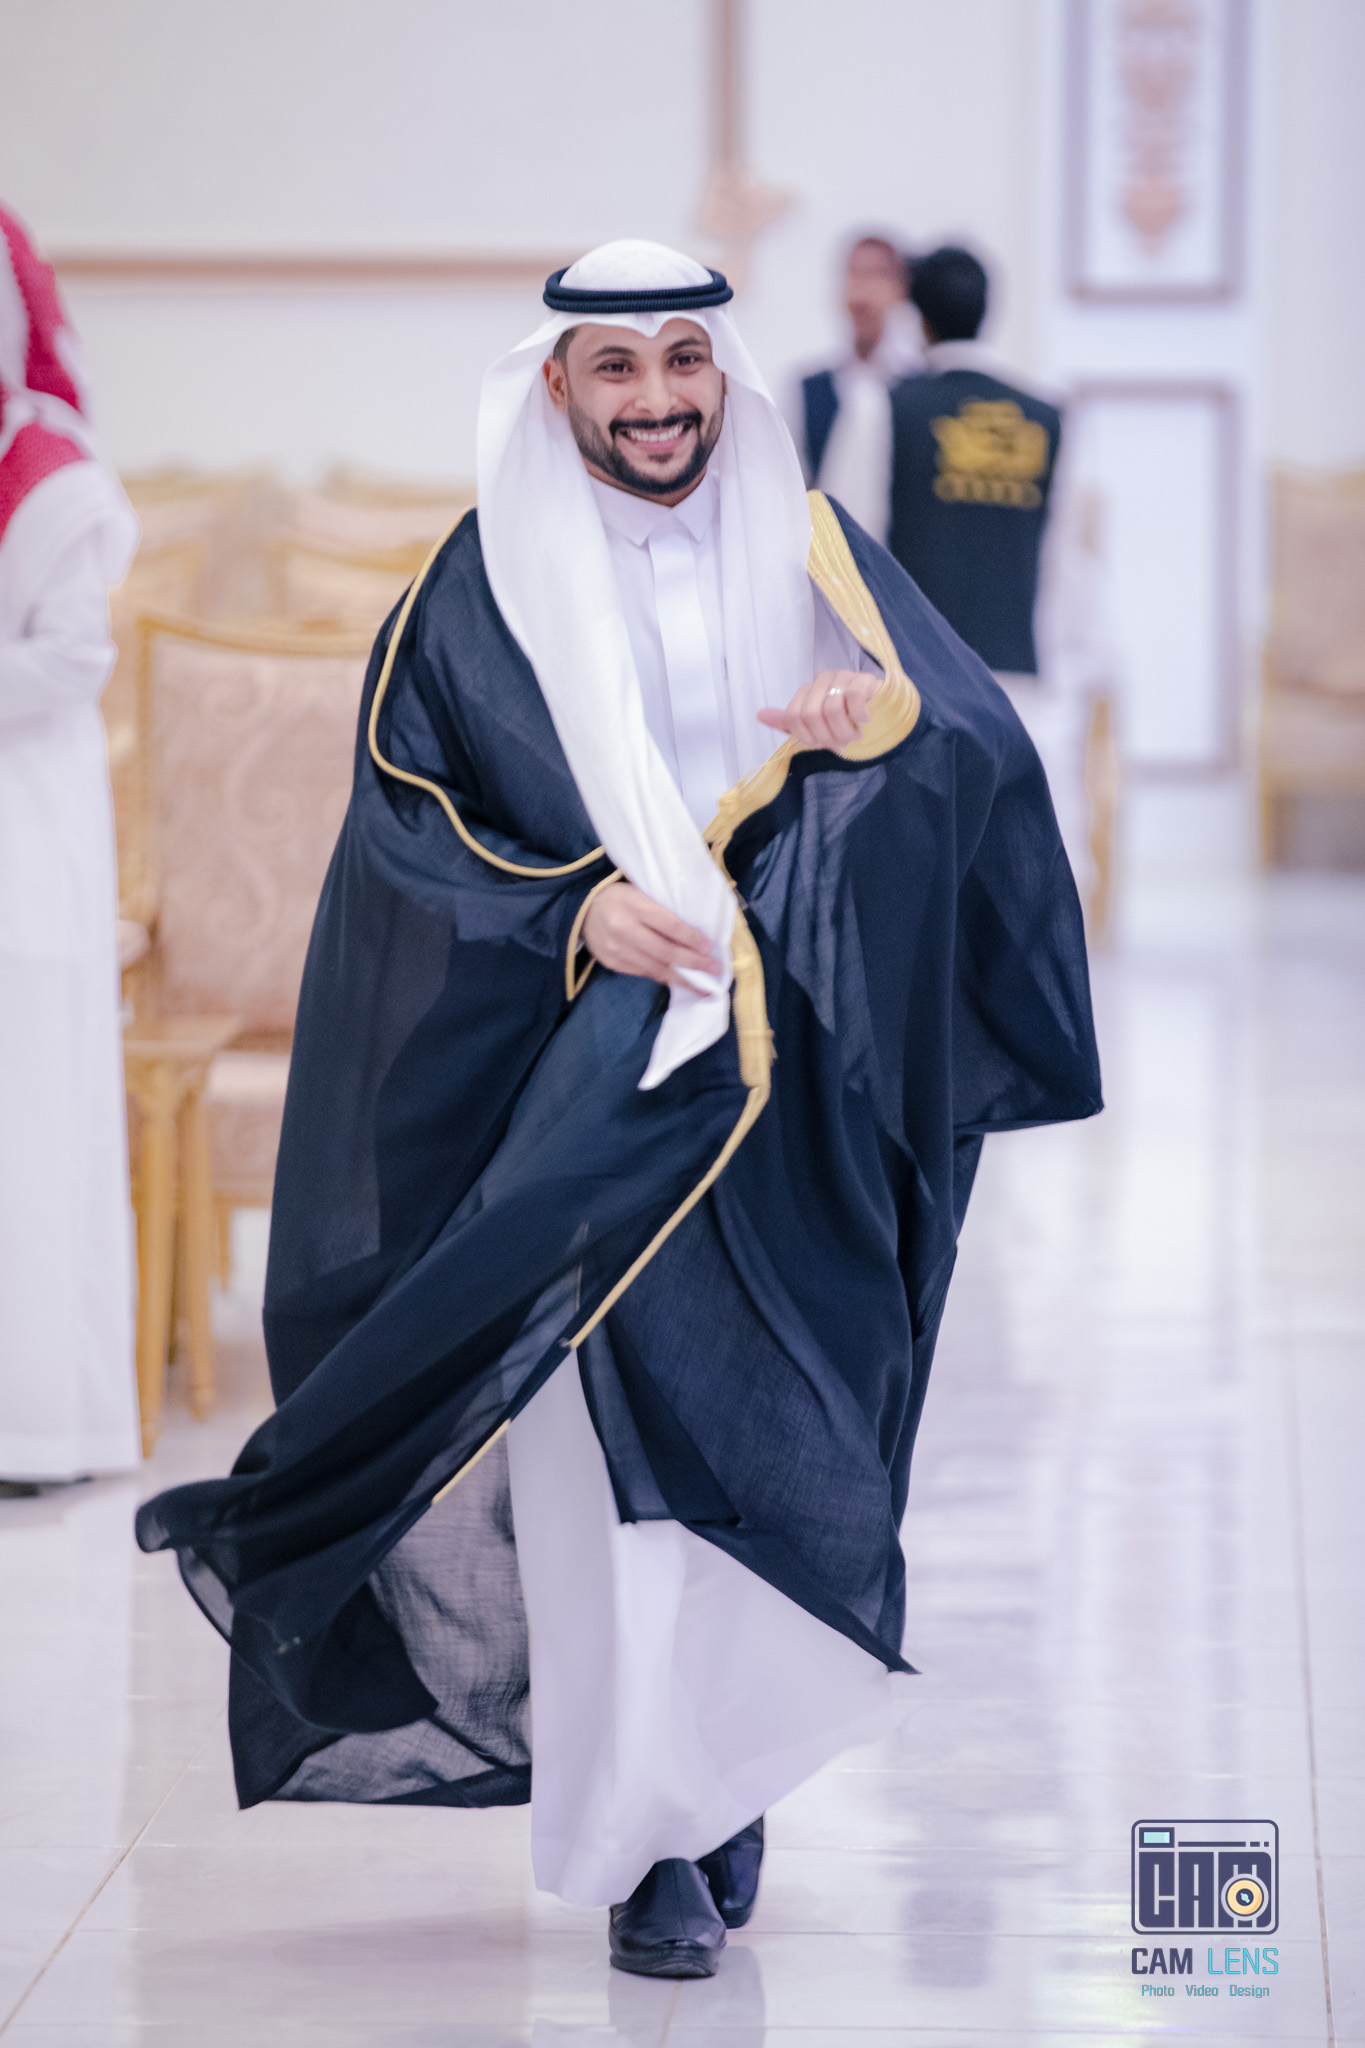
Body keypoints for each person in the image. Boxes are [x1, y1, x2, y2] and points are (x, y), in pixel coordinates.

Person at [136, 241, 1101, 1980]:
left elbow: (967, 748)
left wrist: (873, 724)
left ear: (721, 373)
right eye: (615, 368)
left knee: (780, 1436)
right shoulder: (480, 582)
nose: (656, 399)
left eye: (682, 361)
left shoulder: (817, 549)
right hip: (588, 1084)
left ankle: (721, 1782)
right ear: (559, 386)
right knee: (605, 1472)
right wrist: (572, 910)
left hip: (792, 1086)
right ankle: (649, 1835)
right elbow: (409, 827)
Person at [0, 206, 141, 1492]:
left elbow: (72, 659)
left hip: (24, 829)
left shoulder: (50, 471)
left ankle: (31, 1422)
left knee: (25, 1108)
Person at [889, 245, 1111, 894]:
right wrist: (1069, 666)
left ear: (917, 318)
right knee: (1032, 872)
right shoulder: (1049, 417)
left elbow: (849, 547)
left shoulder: (891, 408)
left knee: (924, 872)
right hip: (1024, 676)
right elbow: (1066, 559)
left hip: (917, 683)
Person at [787, 234, 921, 543]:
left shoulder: (918, 389)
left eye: (876, 276)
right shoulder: (806, 389)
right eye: (853, 274)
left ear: (901, 291)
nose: (861, 291)